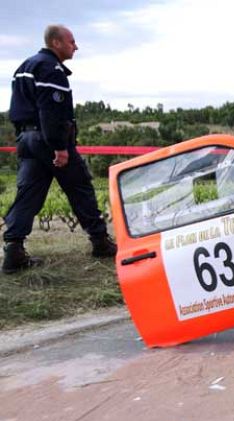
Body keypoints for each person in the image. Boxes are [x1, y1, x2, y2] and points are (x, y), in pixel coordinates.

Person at [3, 25, 116, 274]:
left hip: (27, 139)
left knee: (28, 194)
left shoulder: (24, 67)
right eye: (72, 41)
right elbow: (51, 112)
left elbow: (18, 109)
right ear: (56, 42)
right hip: (49, 141)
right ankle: (100, 242)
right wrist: (60, 147)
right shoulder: (51, 70)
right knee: (80, 187)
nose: (75, 46)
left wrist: (27, 136)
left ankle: (14, 250)